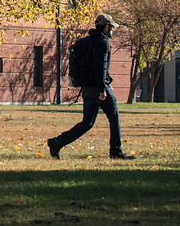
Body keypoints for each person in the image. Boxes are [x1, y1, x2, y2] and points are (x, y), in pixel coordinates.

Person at [47, 14, 135, 160]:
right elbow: (101, 66)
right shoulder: (103, 42)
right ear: (106, 27)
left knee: (87, 122)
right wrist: (102, 89)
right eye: (111, 27)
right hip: (98, 87)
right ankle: (116, 152)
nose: (112, 30)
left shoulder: (86, 42)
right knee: (114, 117)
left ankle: (57, 142)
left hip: (86, 88)